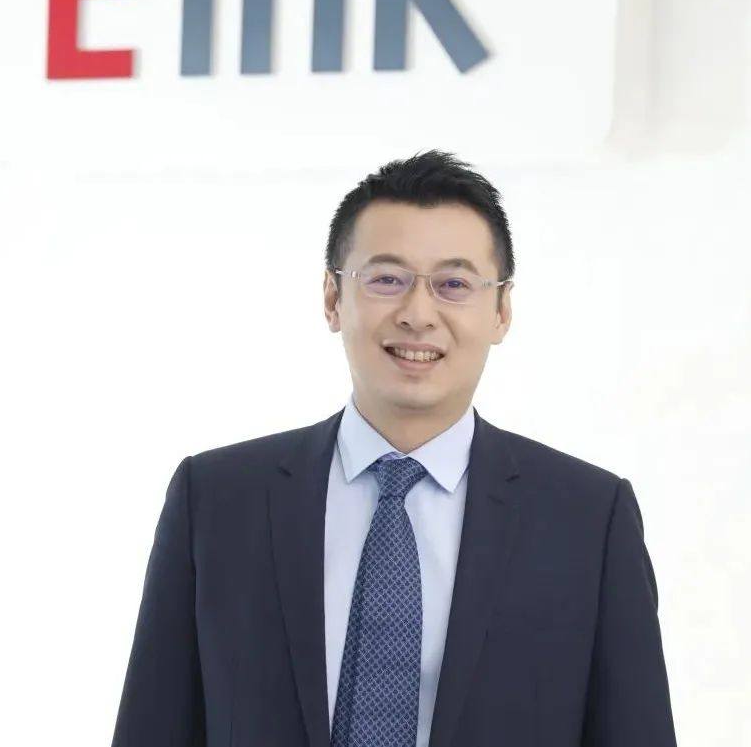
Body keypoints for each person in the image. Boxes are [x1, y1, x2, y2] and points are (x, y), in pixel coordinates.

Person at [109, 150, 678, 747]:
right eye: (386, 279)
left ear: (501, 310)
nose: (417, 314)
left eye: (454, 284)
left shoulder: (588, 519)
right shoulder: (217, 500)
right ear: (333, 298)